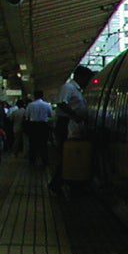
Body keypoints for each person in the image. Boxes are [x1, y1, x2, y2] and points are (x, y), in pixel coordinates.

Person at [50, 65, 94, 194]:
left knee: (68, 154)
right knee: (67, 154)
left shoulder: (76, 89)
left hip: (70, 123)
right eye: (87, 79)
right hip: (66, 124)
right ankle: (58, 183)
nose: (87, 82)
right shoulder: (68, 87)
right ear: (80, 77)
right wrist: (75, 116)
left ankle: (62, 182)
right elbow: (62, 103)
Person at [25, 89, 54, 169]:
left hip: (33, 125)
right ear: (42, 96)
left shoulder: (30, 105)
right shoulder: (46, 105)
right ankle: (45, 161)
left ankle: (32, 161)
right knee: (43, 144)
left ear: (34, 96)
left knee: (32, 144)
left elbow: (27, 116)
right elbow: (50, 115)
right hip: (43, 126)